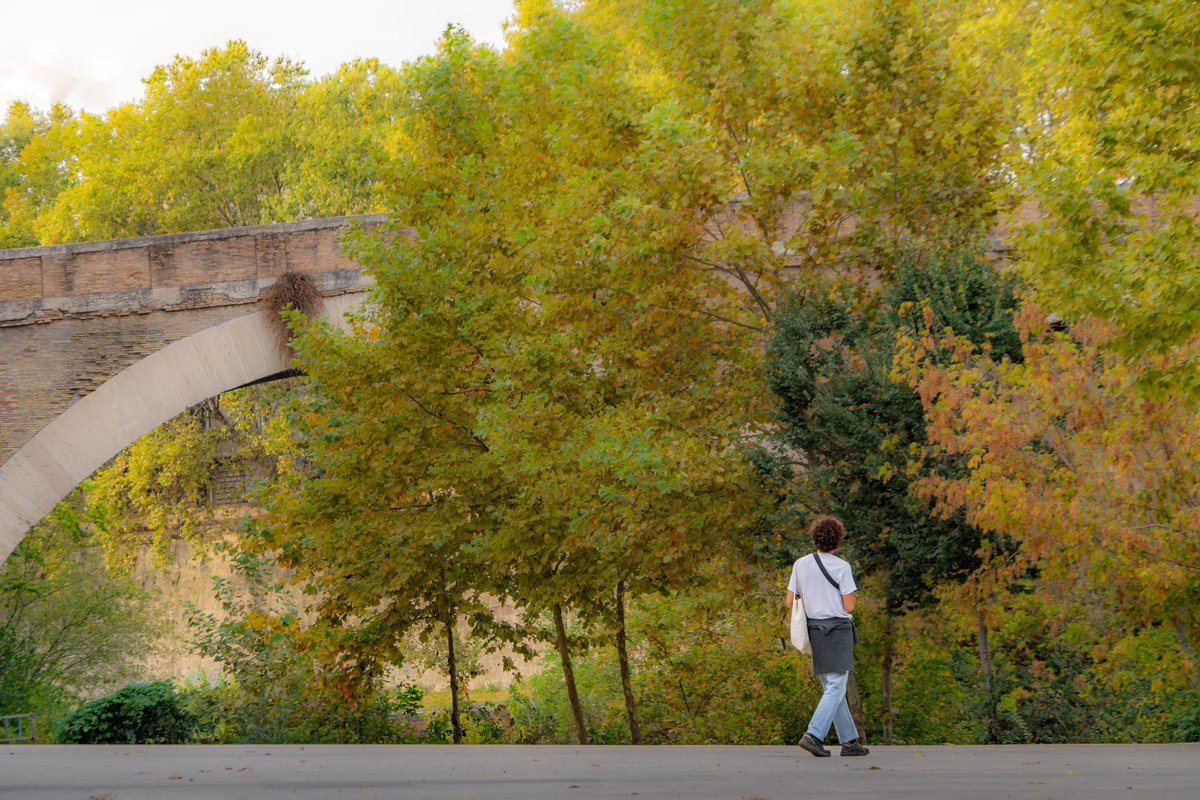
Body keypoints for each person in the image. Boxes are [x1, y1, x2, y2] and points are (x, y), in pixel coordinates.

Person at [786, 515, 870, 757]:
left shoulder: (800, 564)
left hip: (814, 630)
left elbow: (790, 600)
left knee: (833, 688)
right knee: (836, 686)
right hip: (837, 631)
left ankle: (849, 742)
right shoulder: (842, 567)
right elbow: (849, 605)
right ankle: (813, 735)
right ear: (838, 540)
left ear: (814, 538)